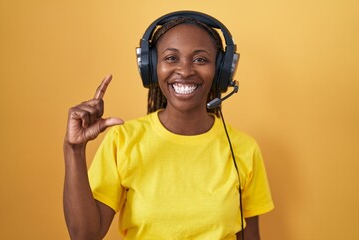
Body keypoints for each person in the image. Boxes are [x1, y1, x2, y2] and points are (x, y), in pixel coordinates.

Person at [63, 11, 274, 240]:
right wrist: (74, 150)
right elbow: (84, 236)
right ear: (151, 66)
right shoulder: (122, 140)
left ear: (222, 71)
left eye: (200, 59)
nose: (185, 71)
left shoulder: (244, 149)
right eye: (171, 58)